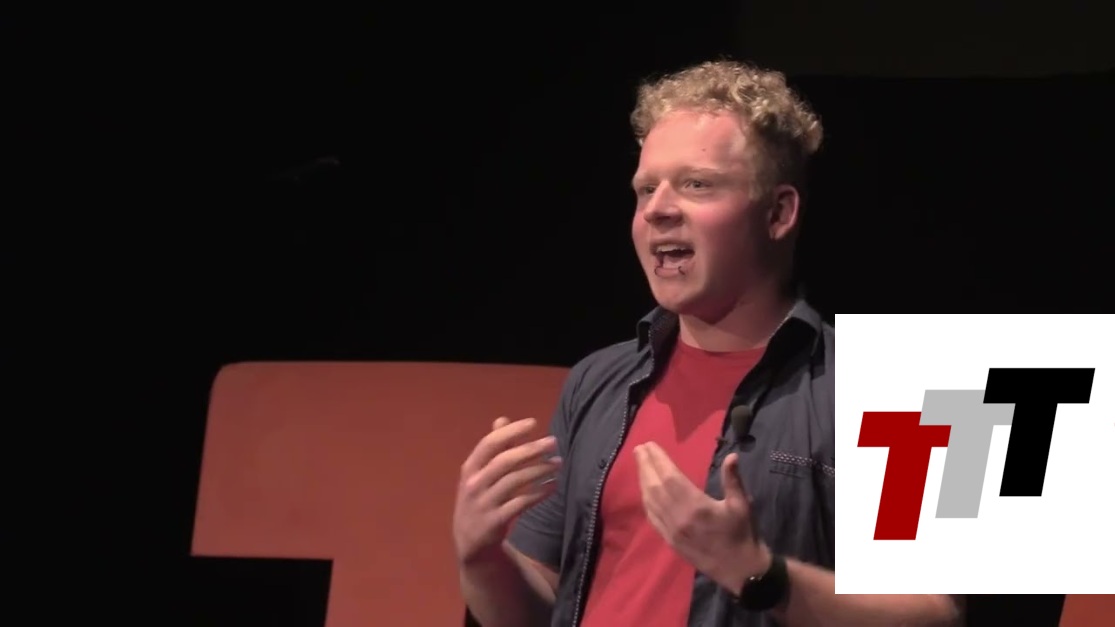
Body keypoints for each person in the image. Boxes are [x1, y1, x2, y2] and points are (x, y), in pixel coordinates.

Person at [452, 60, 964, 627]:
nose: (658, 208)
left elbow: (936, 615)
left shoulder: (890, 387)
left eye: (697, 184)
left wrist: (761, 575)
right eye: (646, 189)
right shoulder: (596, 381)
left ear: (778, 213)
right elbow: (539, 607)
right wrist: (482, 558)